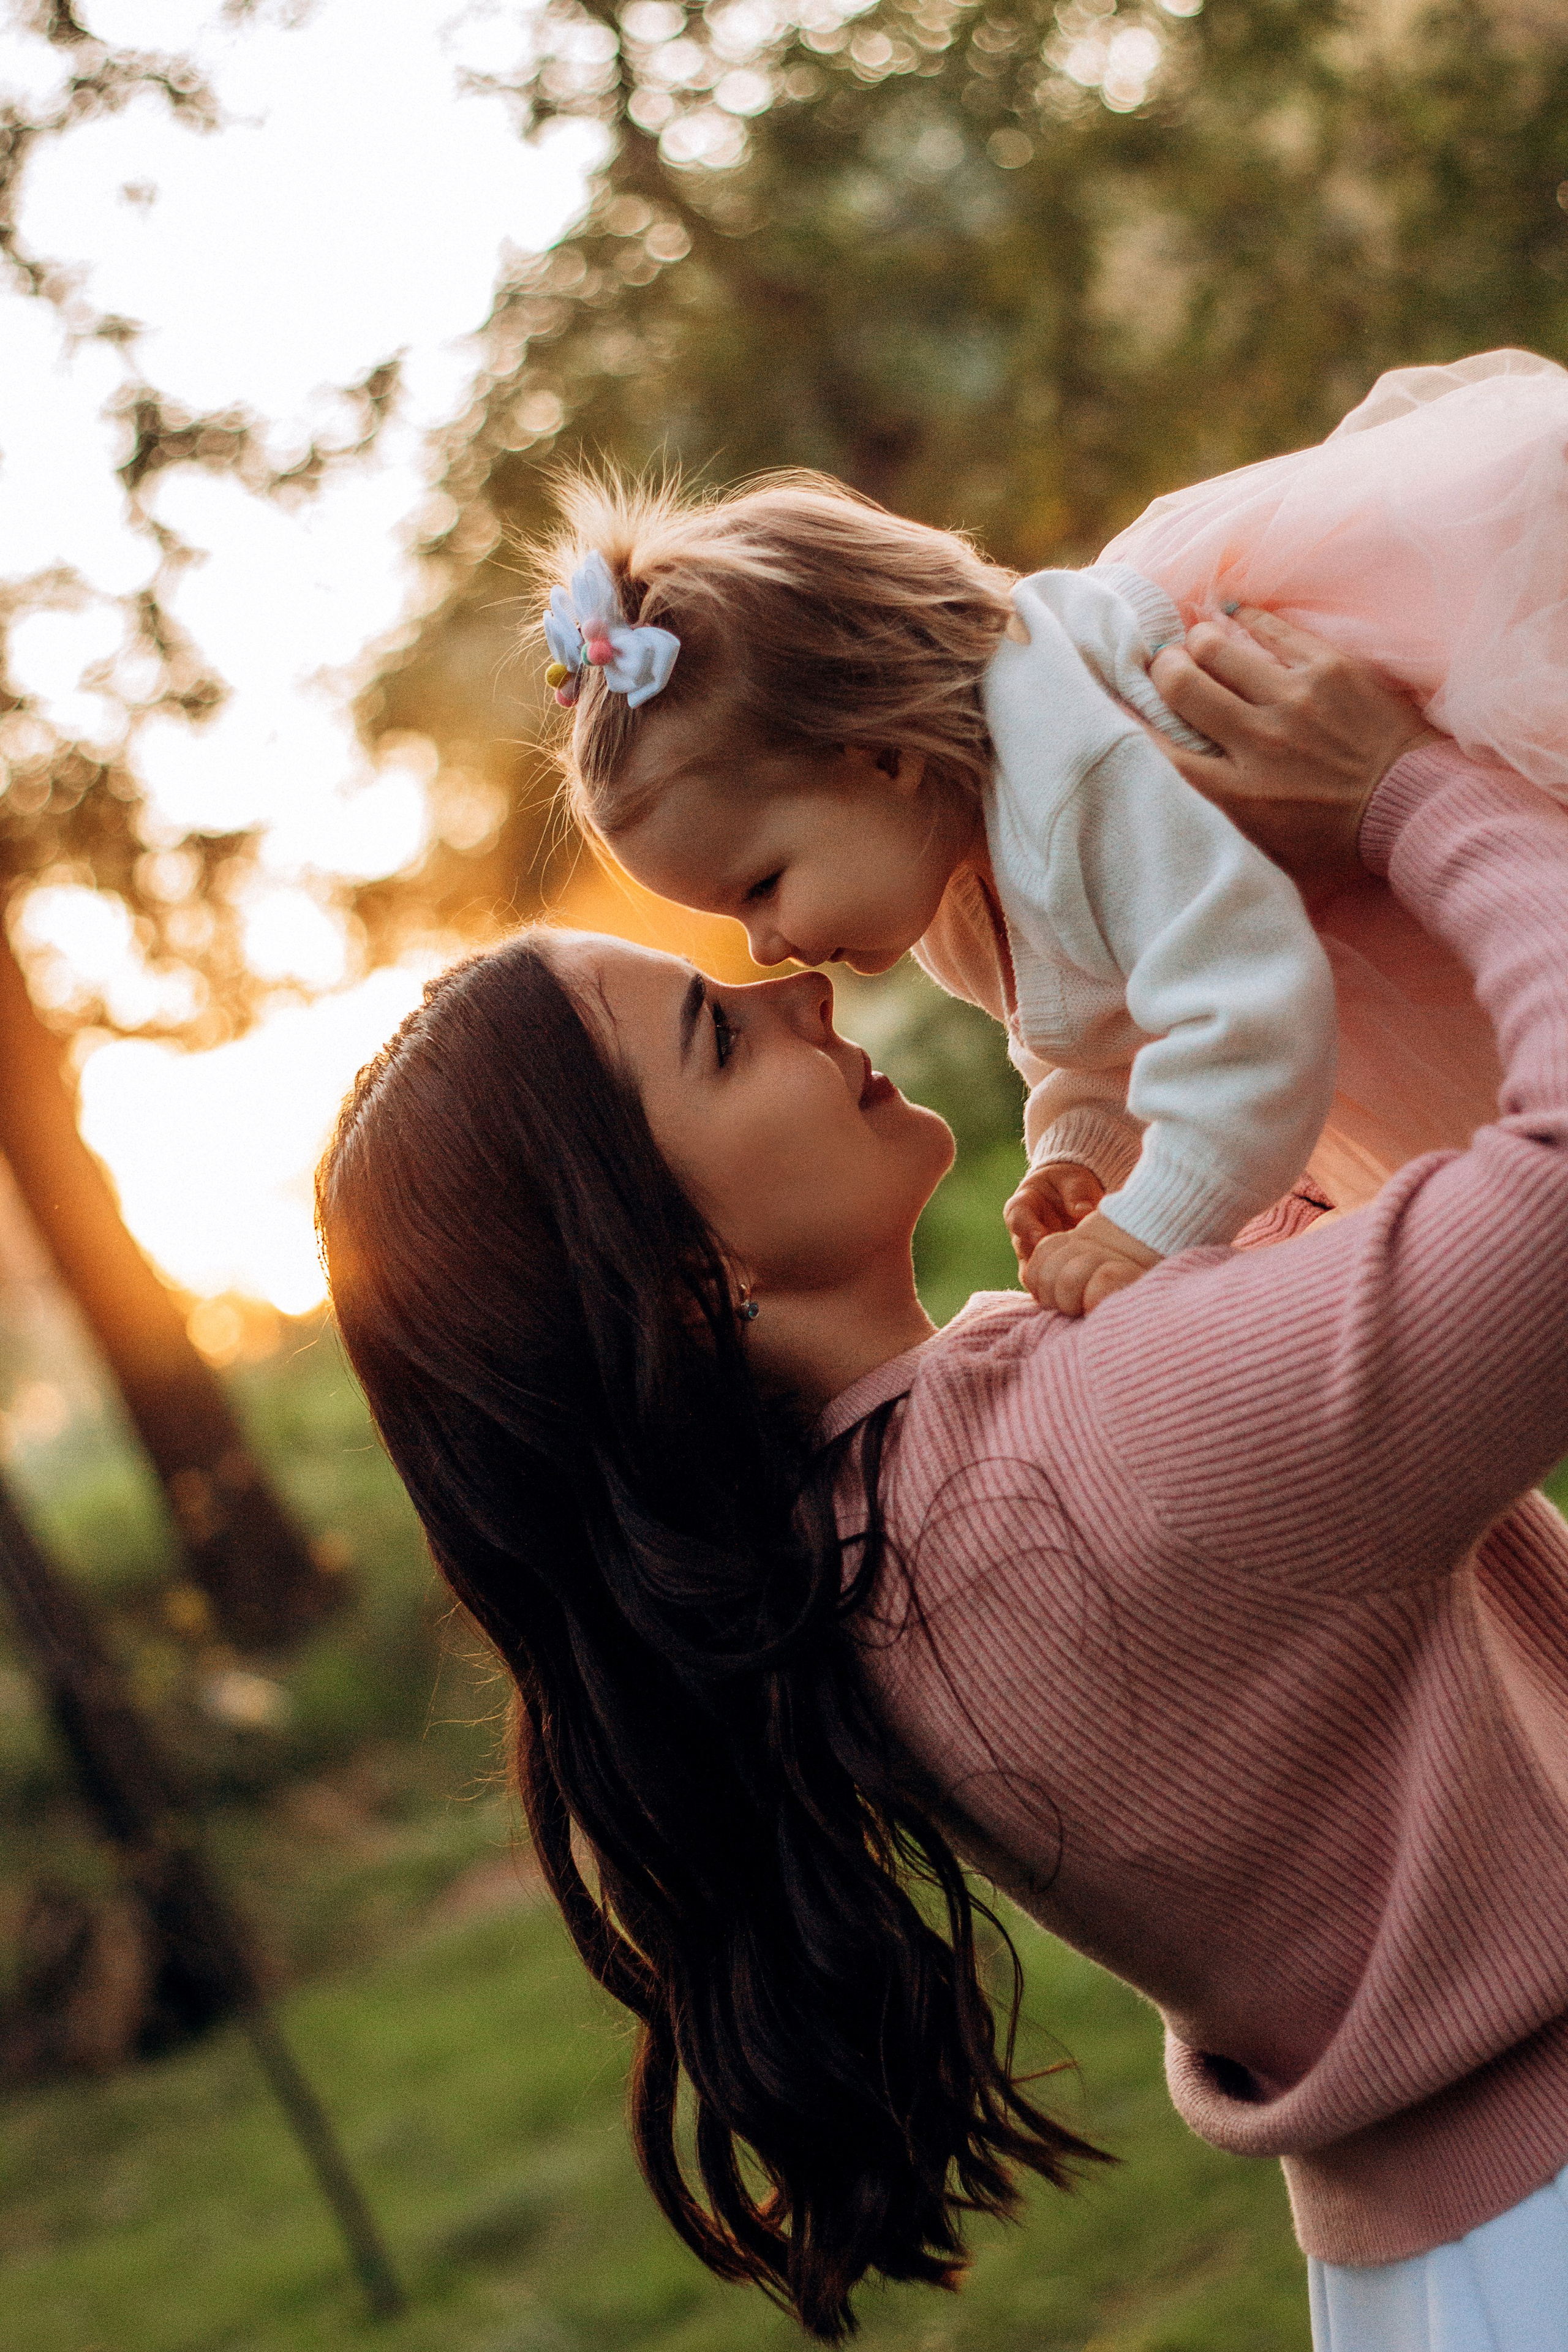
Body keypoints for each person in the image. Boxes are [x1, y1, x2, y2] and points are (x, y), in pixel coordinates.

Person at [317, 624, 1568, 2352]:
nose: (793, 984)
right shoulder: (1110, 1449)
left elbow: (1305, 1263)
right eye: (716, 1037)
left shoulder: (870, 1554)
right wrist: (1410, 802)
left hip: (1440, 2269)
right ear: (689, 1283)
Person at [535, 349, 1562, 1312]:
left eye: (760, 885)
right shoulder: (947, 883)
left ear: (883, 756)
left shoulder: (1077, 759)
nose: (766, 948)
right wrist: (1082, 1154)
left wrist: (1147, 1233)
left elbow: (1247, 1013)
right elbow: (1104, 1034)